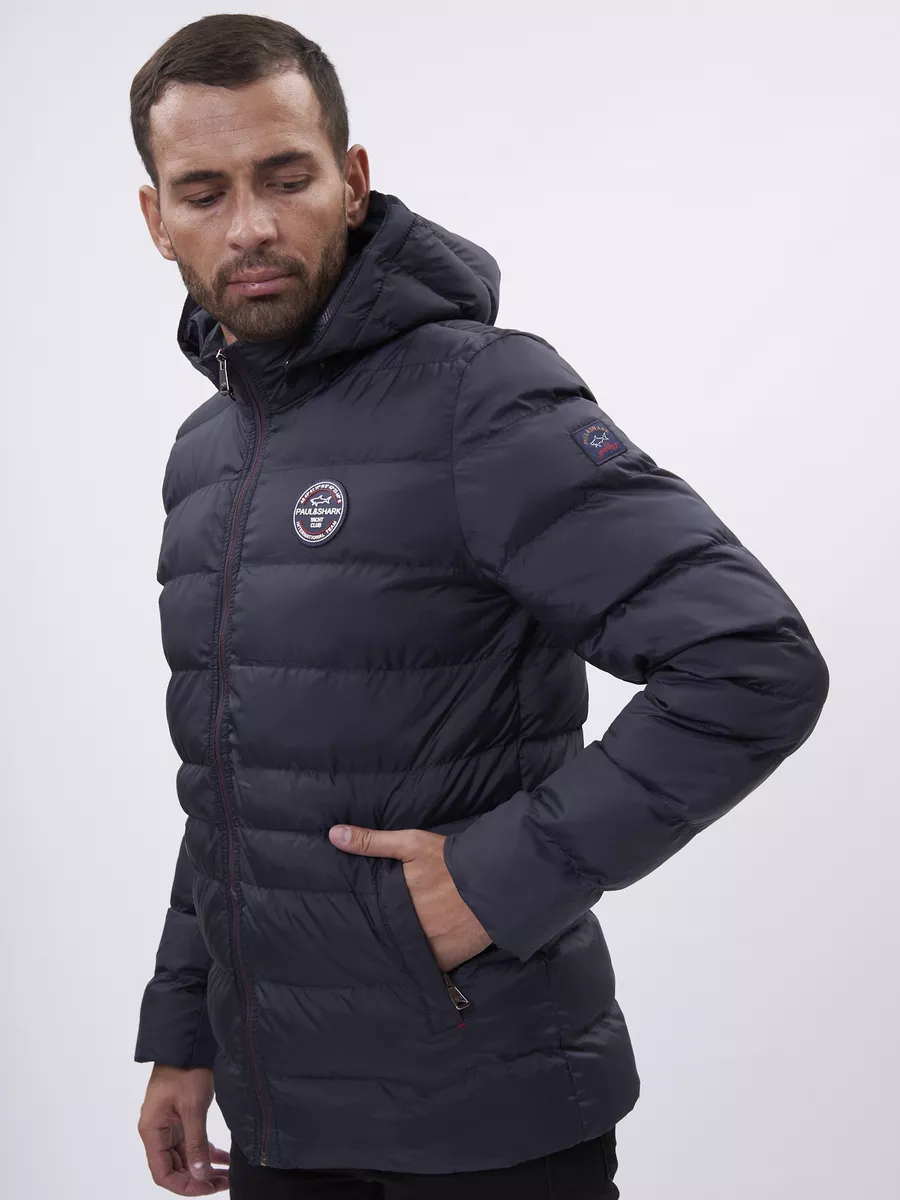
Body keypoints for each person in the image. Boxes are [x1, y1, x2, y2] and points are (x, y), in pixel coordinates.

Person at [130, 14, 829, 1199]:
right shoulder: (207, 454)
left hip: (490, 1122)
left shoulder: (481, 395)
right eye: (204, 192)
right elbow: (233, 788)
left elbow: (752, 661)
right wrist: (185, 1031)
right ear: (157, 219)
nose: (249, 226)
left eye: (285, 177)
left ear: (352, 182)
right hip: (283, 1124)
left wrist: (498, 880)